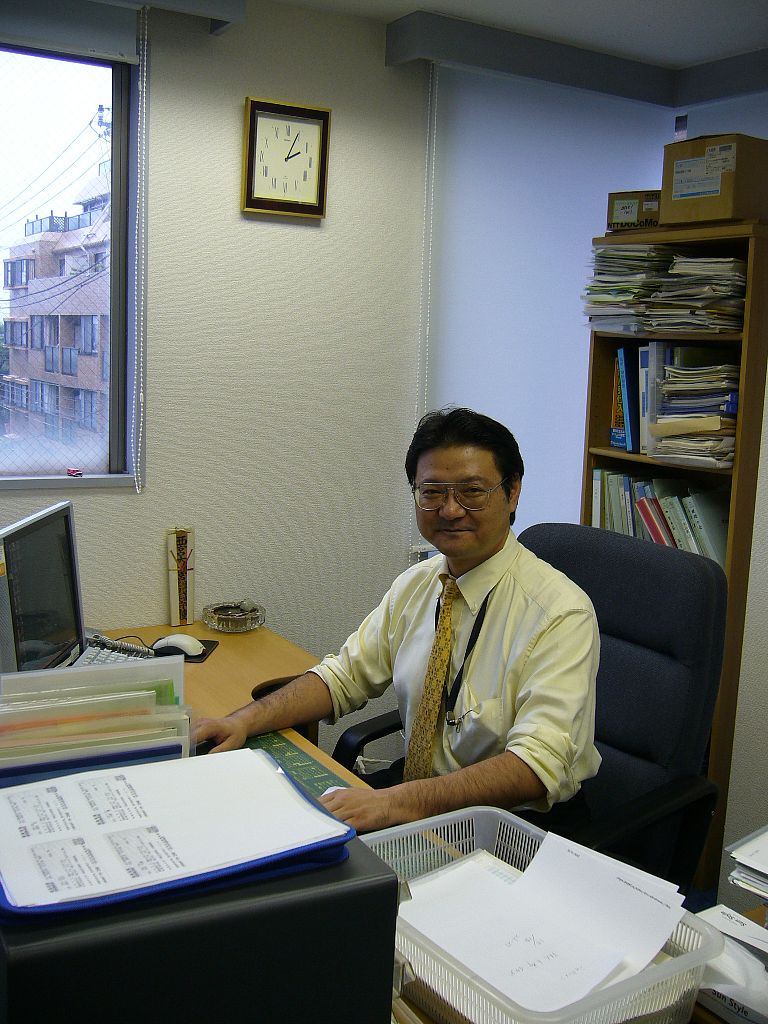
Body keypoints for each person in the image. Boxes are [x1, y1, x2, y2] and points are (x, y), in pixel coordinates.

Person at [192, 407, 600, 833]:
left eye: (472, 491)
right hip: (417, 794)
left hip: (513, 824)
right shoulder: (419, 583)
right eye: (432, 492)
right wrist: (241, 721)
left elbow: (536, 766)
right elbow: (344, 676)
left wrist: (392, 804)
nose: (450, 510)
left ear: (512, 492)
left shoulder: (560, 614)